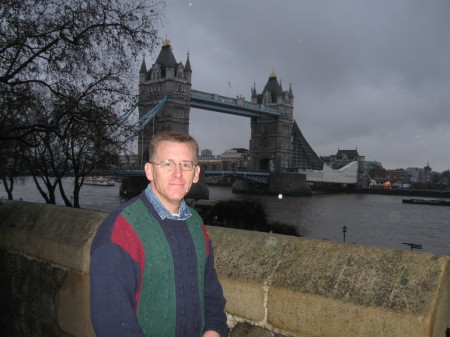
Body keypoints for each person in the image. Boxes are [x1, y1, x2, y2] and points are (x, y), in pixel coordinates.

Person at [90, 130, 228, 337]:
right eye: (167, 164)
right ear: (149, 171)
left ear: (196, 173)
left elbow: (210, 290)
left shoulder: (195, 223)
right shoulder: (120, 230)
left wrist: (214, 330)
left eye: (186, 165)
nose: (178, 174)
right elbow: (113, 323)